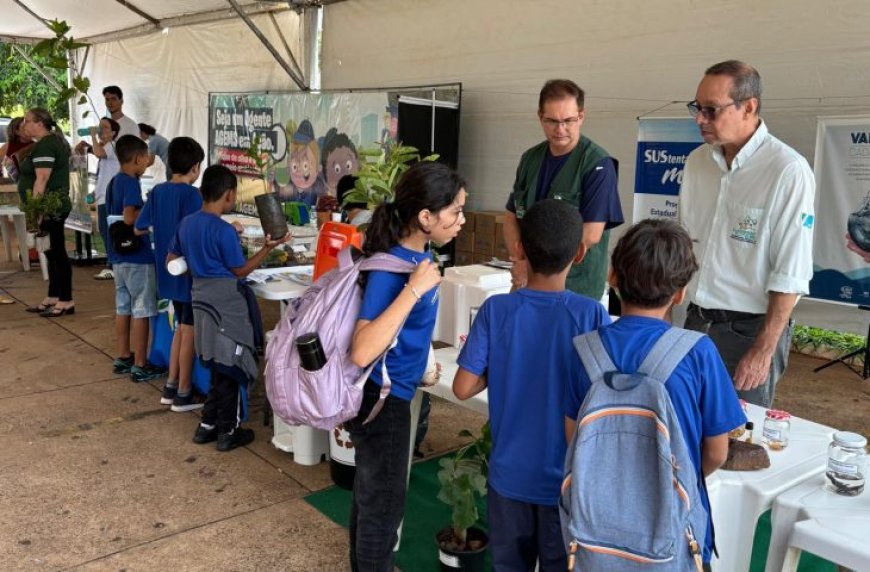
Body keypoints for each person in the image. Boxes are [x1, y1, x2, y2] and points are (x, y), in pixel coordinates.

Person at [565, 219, 746, 569]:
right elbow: (717, 452)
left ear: (612, 276)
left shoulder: (584, 351)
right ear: (680, 293)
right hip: (672, 534)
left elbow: (574, 440)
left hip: (595, 538)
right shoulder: (698, 352)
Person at [453, 199, 610, 571]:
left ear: (520, 248)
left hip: (508, 479)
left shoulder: (497, 310)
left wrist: (504, 365)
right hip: (566, 483)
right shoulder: (591, 315)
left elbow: (462, 387)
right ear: (581, 253)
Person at [347, 161, 466, 571]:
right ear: (426, 217)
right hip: (384, 404)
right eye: (455, 212)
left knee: (371, 499)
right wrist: (414, 289)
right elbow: (362, 350)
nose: (462, 220)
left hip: (392, 394)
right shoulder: (393, 268)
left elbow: (406, 332)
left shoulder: (417, 255)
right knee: (382, 511)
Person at [679, 60, 815, 407]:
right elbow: (681, 244)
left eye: (711, 110)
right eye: (697, 108)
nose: (700, 119)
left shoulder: (786, 171)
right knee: (687, 427)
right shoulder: (697, 163)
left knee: (739, 440)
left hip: (748, 332)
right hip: (695, 323)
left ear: (749, 107)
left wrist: (763, 348)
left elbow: (791, 271)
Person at [170, 165, 289, 451]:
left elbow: (173, 255)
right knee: (232, 364)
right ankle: (228, 430)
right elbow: (239, 270)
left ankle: (207, 424)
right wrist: (268, 248)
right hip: (226, 304)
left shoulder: (187, 223)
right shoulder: (223, 231)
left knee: (215, 360)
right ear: (229, 195)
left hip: (200, 299)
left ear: (202, 192)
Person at [503, 79, 624, 300]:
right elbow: (511, 217)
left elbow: (591, 234)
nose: (560, 129)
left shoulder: (597, 164)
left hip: (575, 288)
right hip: (527, 282)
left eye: (568, 120)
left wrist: (533, 267)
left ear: (581, 116)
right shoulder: (530, 159)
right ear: (540, 117)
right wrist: (520, 261)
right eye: (551, 121)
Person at [135, 137, 205, 412]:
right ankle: (184, 392)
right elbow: (198, 232)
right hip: (188, 273)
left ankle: (172, 385)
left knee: (180, 328)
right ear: (196, 167)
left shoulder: (158, 192)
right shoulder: (192, 195)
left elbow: (140, 227)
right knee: (189, 330)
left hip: (166, 273)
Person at [107, 135, 165, 382]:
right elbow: (130, 217)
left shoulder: (113, 182)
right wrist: (151, 208)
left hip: (118, 256)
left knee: (123, 306)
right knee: (143, 309)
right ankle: (141, 362)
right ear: (139, 158)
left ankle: (123, 355)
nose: (148, 164)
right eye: (146, 159)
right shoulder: (130, 182)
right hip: (137, 256)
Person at [18, 108, 75, 318]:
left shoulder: (46, 145)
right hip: (50, 206)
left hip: (52, 207)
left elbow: (41, 180)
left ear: (39, 123)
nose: (24, 125)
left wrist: (35, 209)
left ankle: (66, 300)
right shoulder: (46, 144)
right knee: (50, 251)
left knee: (57, 252)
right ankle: (53, 295)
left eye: (27, 121)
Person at [75, 117, 121, 280]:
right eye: (99, 127)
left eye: (105, 128)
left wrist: (93, 136)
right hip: (103, 196)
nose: (101, 130)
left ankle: (113, 264)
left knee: (109, 231)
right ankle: (113, 263)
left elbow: (99, 152)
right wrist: (94, 193)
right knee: (104, 230)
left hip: (110, 197)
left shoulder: (113, 146)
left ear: (114, 133)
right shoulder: (106, 149)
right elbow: (103, 176)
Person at [0, 117, 33, 182]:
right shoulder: (7, 147)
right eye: (24, 128)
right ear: (16, 131)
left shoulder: (38, 144)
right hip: (14, 186)